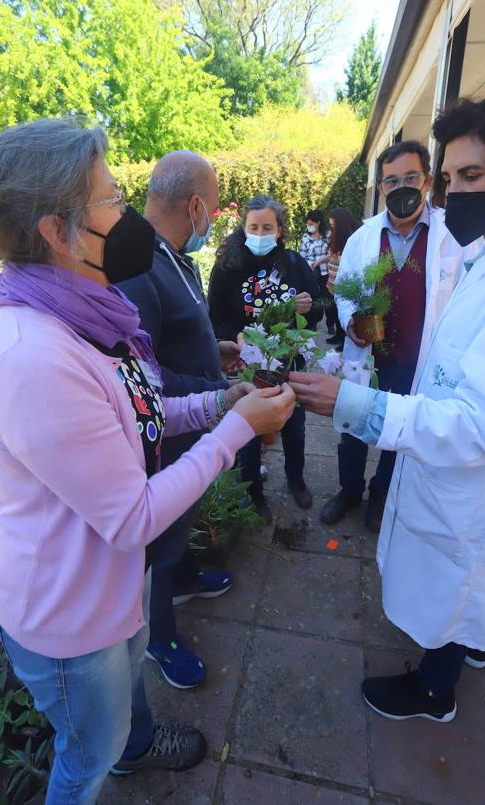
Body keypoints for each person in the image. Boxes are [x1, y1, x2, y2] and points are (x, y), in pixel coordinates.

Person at [0, 119, 295, 804]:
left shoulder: (85, 314)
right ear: (59, 231)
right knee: (86, 760)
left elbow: (139, 412)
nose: (129, 214)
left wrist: (214, 406)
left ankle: (133, 742)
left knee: (112, 724)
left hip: (107, 596)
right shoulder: (32, 355)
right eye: (113, 199)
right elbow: (130, 517)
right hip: (66, 618)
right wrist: (234, 431)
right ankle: (120, 751)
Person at [290, 91, 485, 723]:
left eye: (472, 176)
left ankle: (434, 694)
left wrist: (355, 403)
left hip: (475, 477)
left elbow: (483, 423)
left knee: (462, 583)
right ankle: (467, 649)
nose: (451, 193)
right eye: (451, 177)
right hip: (440, 445)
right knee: (468, 590)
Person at [118, 151, 242, 691]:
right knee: (161, 535)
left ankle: (186, 577)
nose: (212, 219)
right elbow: (143, 376)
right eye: (212, 209)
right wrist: (217, 393)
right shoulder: (137, 267)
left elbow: (173, 336)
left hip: (195, 419)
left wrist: (214, 349)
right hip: (165, 432)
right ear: (195, 206)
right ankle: (158, 636)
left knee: (186, 515)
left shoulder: (174, 256)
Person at [322, 140, 469, 531]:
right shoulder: (363, 238)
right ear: (381, 187)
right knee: (353, 424)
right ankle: (349, 491)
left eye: (410, 177)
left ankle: (381, 494)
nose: (401, 187)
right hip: (370, 358)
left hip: (418, 358)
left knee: (400, 433)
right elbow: (346, 290)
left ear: (427, 180)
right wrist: (352, 321)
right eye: (391, 181)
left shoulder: (452, 236)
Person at [208, 194, 323, 517]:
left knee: (294, 425)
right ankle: (252, 491)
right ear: (243, 228)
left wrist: (308, 307)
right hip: (249, 364)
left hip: (288, 361)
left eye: (267, 227)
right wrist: (236, 335)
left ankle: (295, 479)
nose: (260, 234)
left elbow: (316, 312)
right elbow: (214, 316)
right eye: (253, 227)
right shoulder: (228, 266)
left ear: (280, 229)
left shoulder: (295, 264)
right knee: (248, 427)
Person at [325, 207, 361, 349]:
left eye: (334, 226)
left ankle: (344, 339)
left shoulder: (352, 239)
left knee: (345, 311)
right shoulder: (337, 237)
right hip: (333, 279)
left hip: (345, 282)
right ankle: (339, 335)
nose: (332, 228)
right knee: (335, 309)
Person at [299, 208, 332, 329]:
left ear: (318, 223)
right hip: (311, 273)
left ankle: (330, 324)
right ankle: (313, 323)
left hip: (325, 271)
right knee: (313, 298)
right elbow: (302, 256)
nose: (309, 226)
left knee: (328, 299)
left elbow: (332, 254)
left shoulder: (327, 235)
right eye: (307, 224)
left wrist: (320, 261)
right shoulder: (305, 237)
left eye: (311, 224)